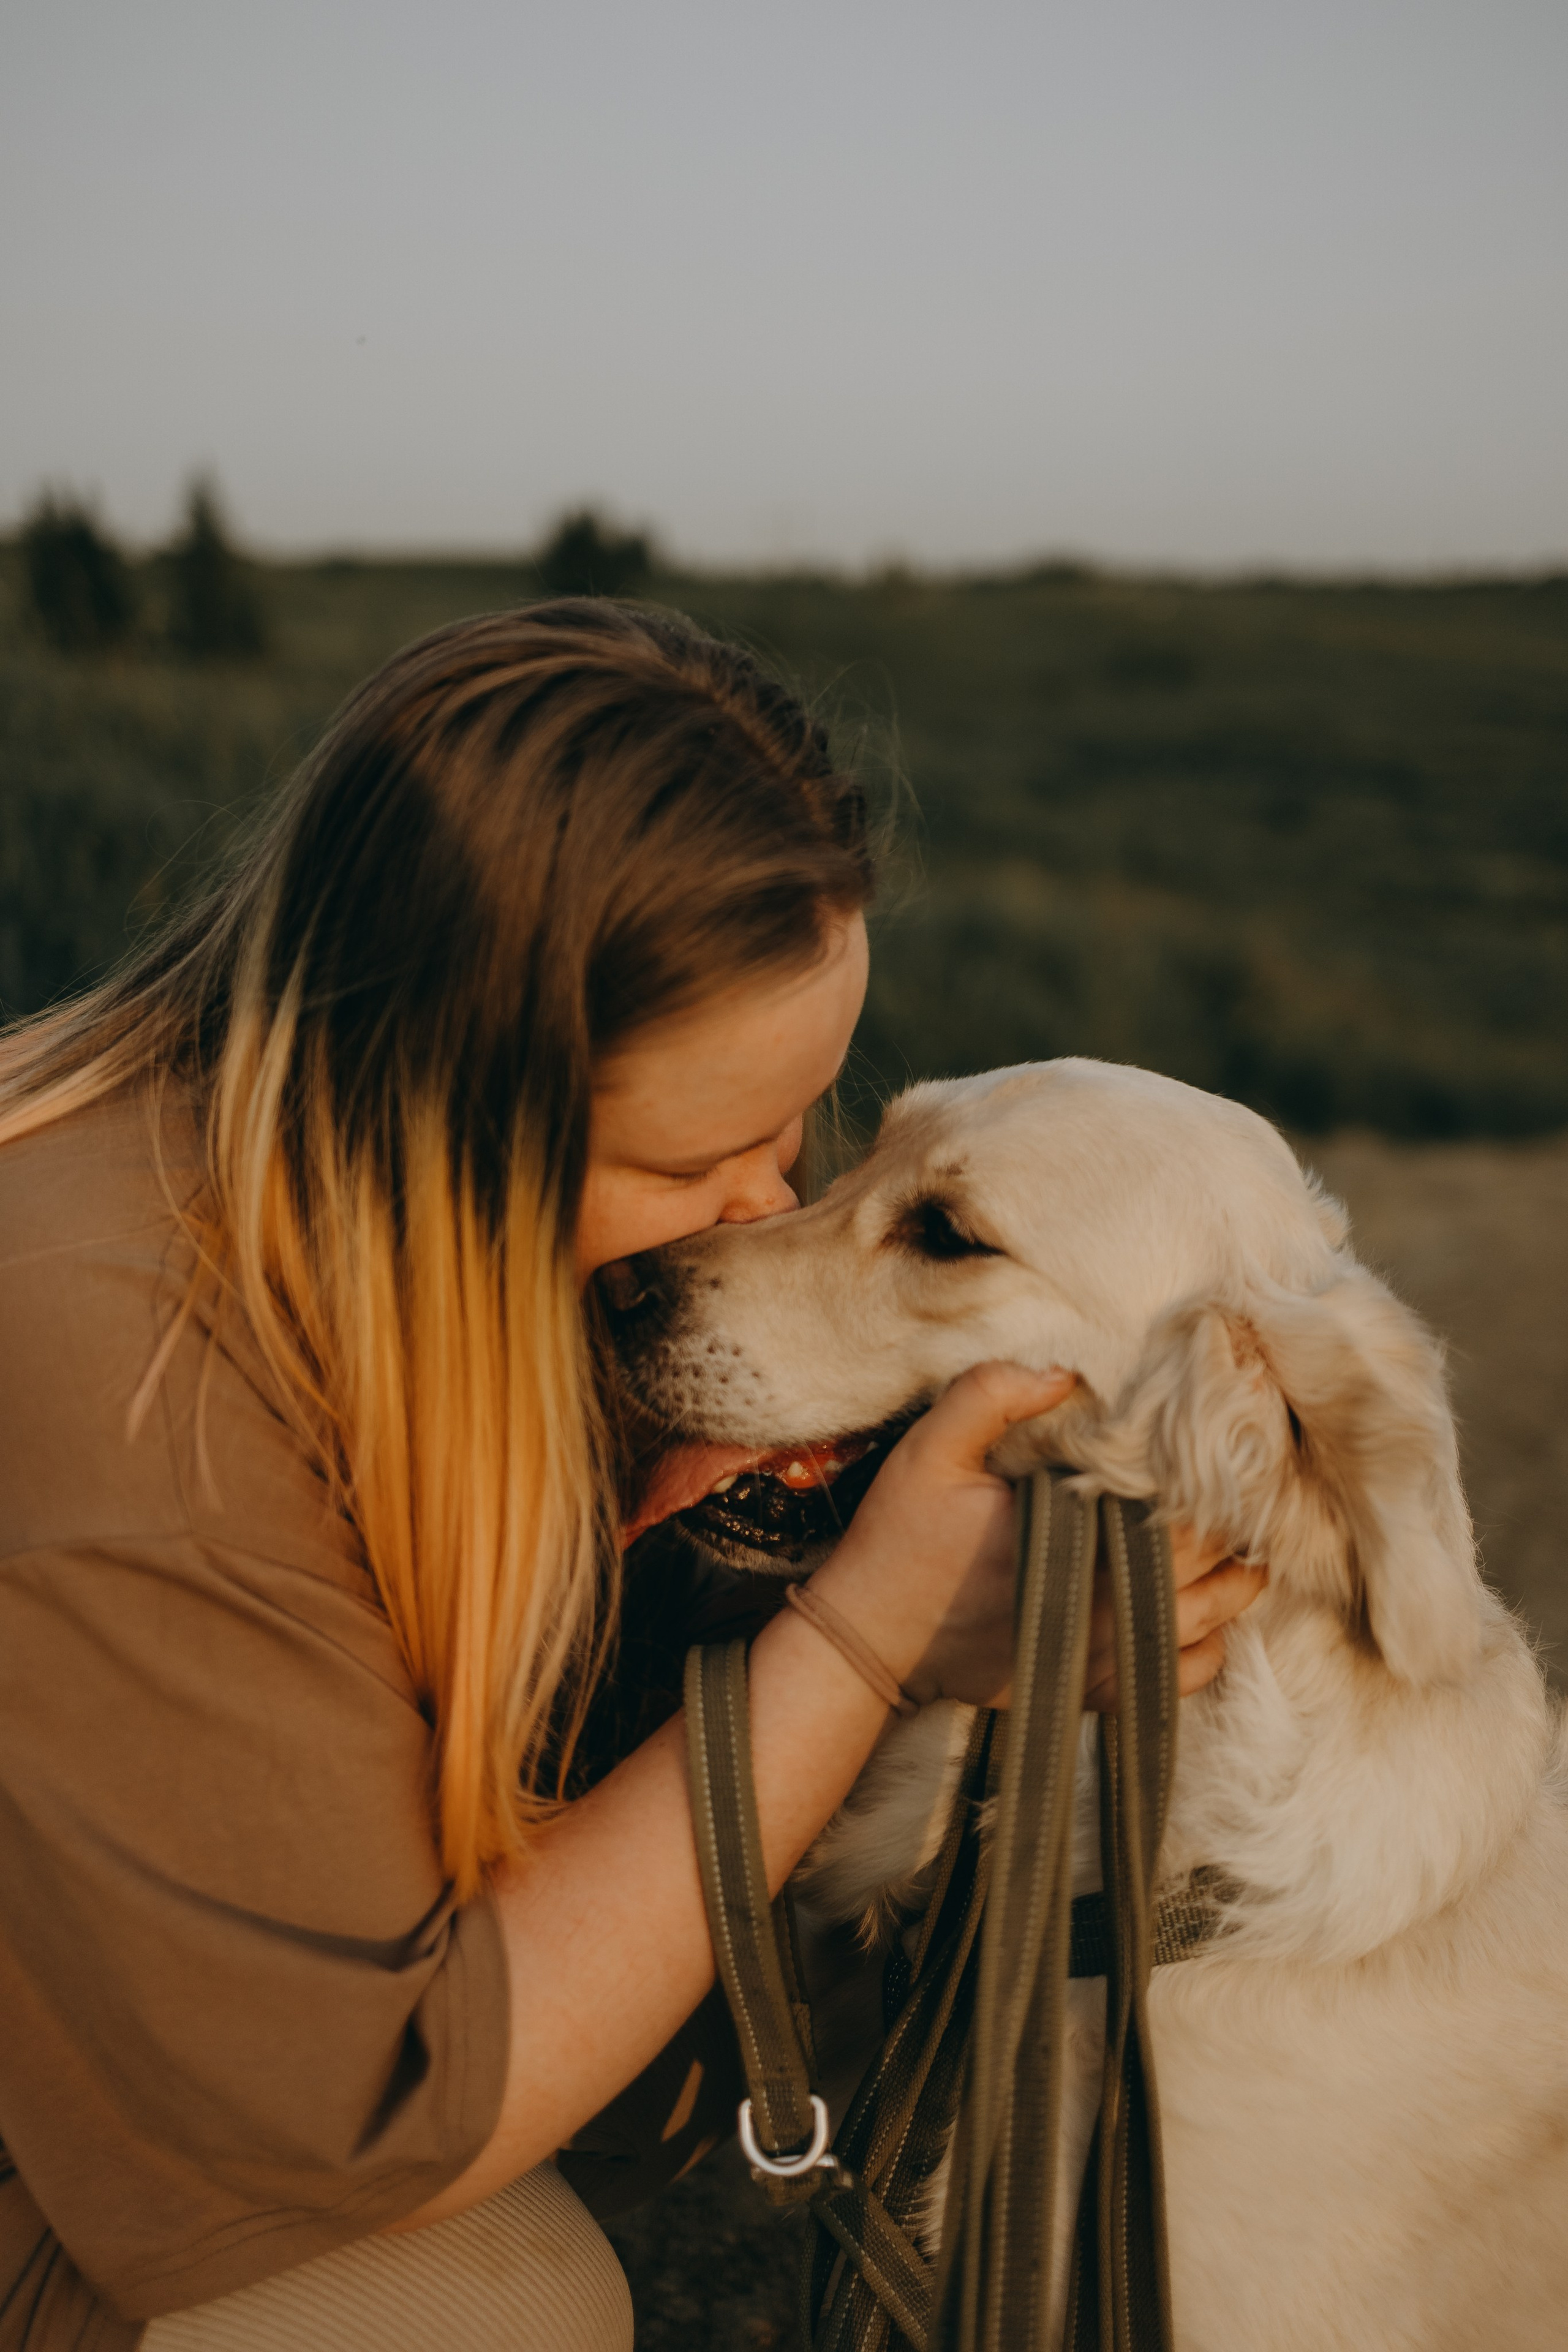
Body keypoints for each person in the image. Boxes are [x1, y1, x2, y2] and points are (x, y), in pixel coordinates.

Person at [0, 601, 1264, 2351]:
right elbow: (356, 2113)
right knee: (476, 2315)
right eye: (700, 1154)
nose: (770, 1211)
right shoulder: (119, 1390)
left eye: (798, 1123)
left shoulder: (370, 1221)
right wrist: (864, 1638)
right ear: (438, 1101)